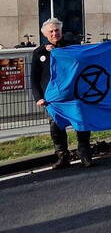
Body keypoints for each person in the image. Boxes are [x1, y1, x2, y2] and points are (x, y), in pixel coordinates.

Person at [31, 18, 93, 169]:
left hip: (73, 94)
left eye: (56, 30)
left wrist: (60, 52)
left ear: (61, 31)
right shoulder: (39, 52)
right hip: (53, 99)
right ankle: (62, 156)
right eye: (51, 31)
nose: (54, 33)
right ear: (45, 34)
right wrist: (38, 97)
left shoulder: (72, 47)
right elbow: (34, 78)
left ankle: (84, 153)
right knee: (56, 127)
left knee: (81, 123)